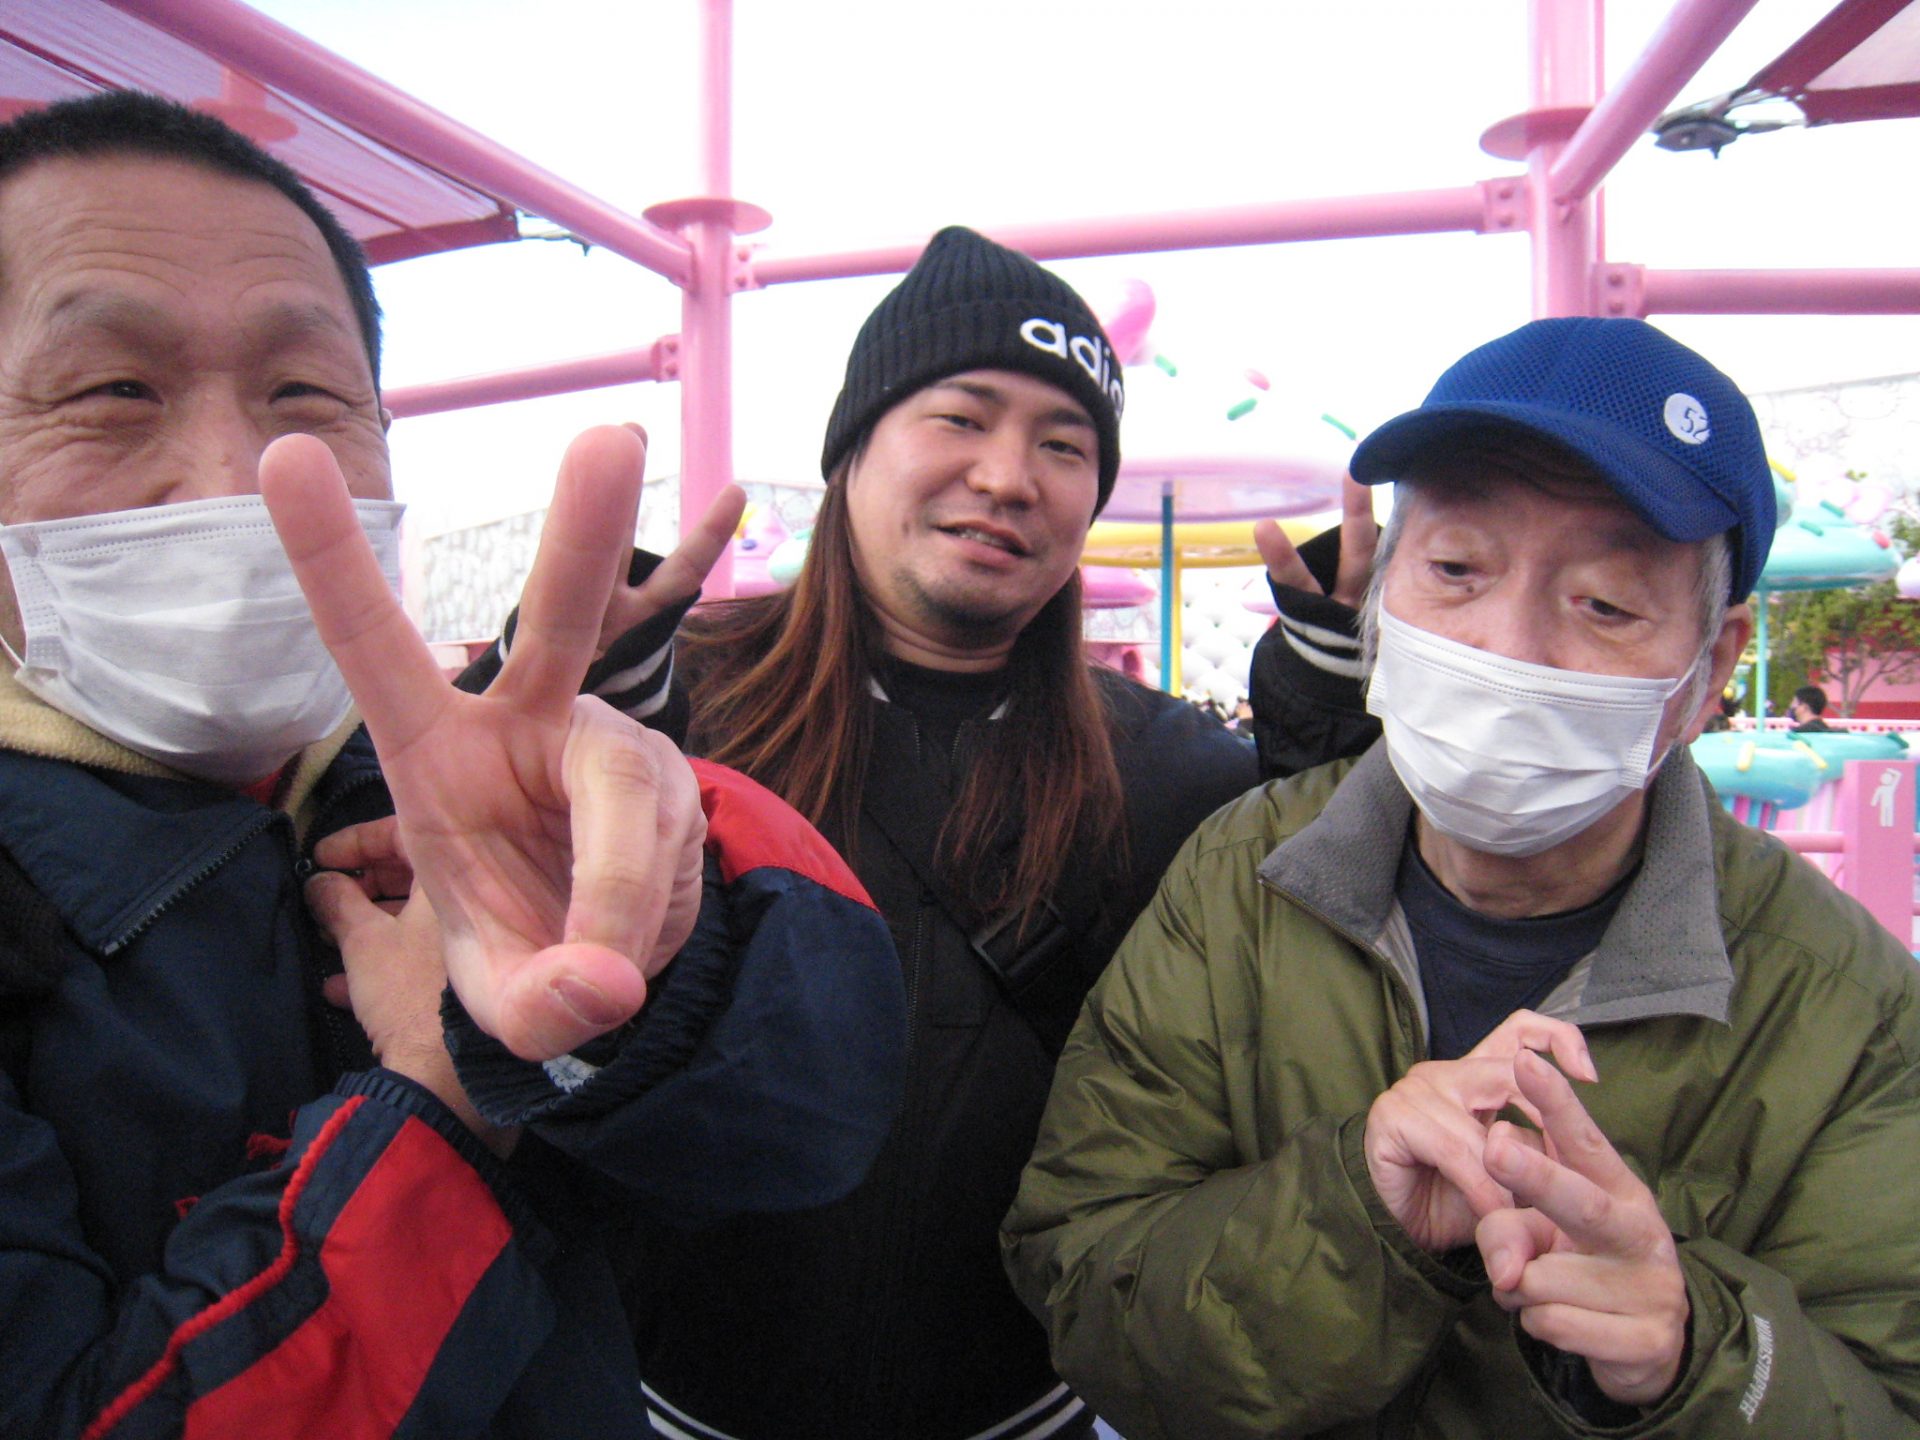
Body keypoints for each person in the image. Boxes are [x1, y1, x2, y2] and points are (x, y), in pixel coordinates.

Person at [0, 91, 904, 1440]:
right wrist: (438, 1097)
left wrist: (643, 956)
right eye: (113, 390)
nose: (236, 474)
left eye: (305, 394)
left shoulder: (458, 791)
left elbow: (810, 1129)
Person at [1004, 318, 1920, 1437]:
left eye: (1605, 603)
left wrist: (1695, 1358)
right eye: (1454, 570)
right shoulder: (1241, 880)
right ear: (1381, 599)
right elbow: (1087, 1289)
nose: (1507, 647)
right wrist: (1357, 1209)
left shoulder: (1849, 1008)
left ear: (1709, 667)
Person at [574, 227, 1382, 1440]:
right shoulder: (676, 704)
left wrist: (1331, 712)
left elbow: (1340, 960)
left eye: (1064, 446)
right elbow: (446, 890)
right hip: (659, 1406)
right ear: (853, 450)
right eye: (960, 418)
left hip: (1029, 1413)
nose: (1009, 477)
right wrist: (583, 704)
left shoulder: (1170, 771)